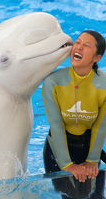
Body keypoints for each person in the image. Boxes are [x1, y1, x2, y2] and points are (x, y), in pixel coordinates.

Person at [42, 30, 106, 199]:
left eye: (86, 45)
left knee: (95, 196)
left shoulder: (104, 85)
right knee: (73, 195)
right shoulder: (53, 82)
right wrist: (67, 164)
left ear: (97, 57)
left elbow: (101, 126)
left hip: (88, 147)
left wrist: (92, 160)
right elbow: (56, 124)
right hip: (57, 148)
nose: (78, 47)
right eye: (77, 42)